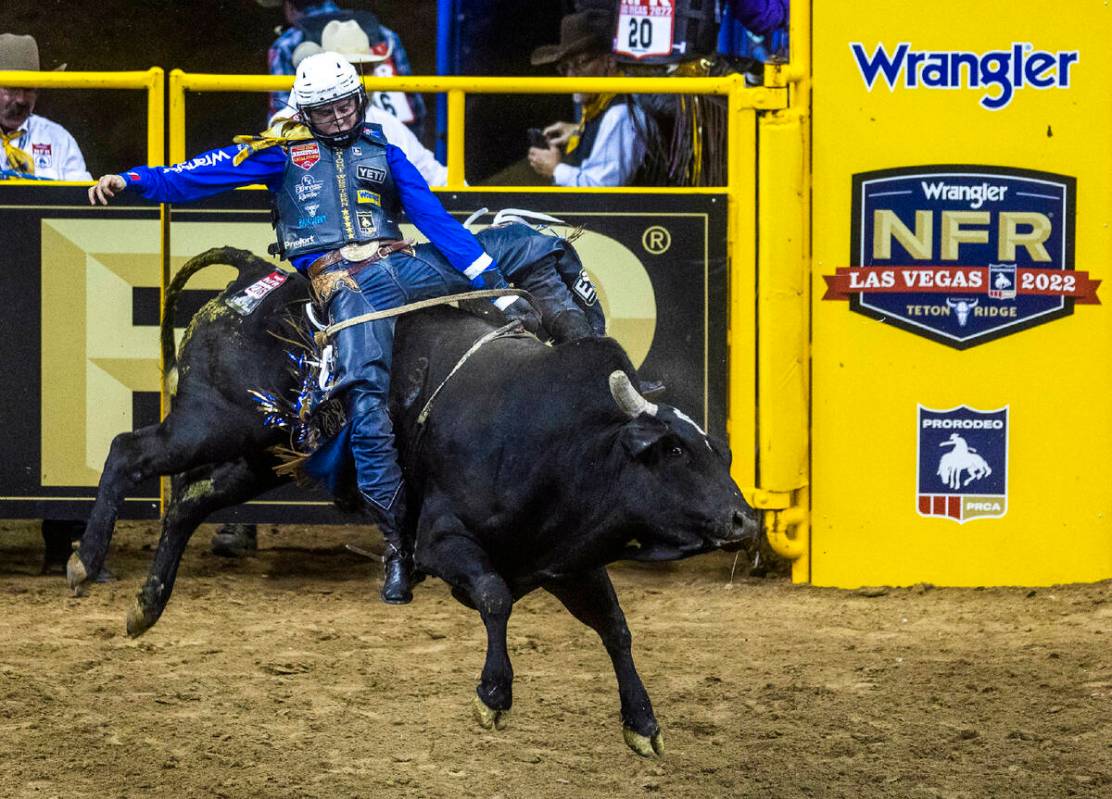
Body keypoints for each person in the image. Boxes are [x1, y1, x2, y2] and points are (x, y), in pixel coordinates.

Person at [89, 52, 599, 603]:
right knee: (367, 398)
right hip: (345, 283)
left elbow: (431, 217)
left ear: (359, 99)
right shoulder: (277, 153)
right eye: (325, 111)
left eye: (344, 106)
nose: (337, 118)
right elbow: (198, 175)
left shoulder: (384, 149)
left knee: (536, 244)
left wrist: (492, 282)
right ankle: (397, 545)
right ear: (305, 111)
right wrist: (133, 181)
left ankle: (593, 360)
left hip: (404, 263)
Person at [257, 0, 426, 138]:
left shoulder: (287, 45)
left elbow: (285, 117)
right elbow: (413, 104)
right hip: (395, 140)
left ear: (290, 7)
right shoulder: (384, 34)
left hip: (332, 148)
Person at [527, 10, 646, 188]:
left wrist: (556, 169)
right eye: (565, 68)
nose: (571, 77)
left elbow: (601, 192)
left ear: (609, 62)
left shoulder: (618, 115)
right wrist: (579, 131)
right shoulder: (601, 103)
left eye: (581, 63)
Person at [0, 33, 90, 181]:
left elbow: (81, 198)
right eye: (12, 88)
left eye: (29, 89)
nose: (21, 100)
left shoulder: (59, 140)